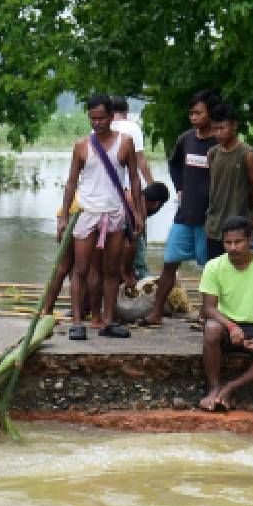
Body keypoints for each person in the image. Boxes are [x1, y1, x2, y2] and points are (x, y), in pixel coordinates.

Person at [57, 94, 142, 340]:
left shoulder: (125, 143)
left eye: (101, 118)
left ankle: (108, 321)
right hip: (87, 212)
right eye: (92, 118)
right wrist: (64, 215)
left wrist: (137, 212)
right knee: (80, 268)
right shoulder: (82, 146)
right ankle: (76, 322)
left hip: (114, 212)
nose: (97, 123)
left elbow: (134, 179)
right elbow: (71, 181)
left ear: (111, 117)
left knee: (111, 270)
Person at [141, 90, 219, 326]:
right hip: (184, 215)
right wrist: (180, 188)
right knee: (169, 263)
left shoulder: (221, 141)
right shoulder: (186, 139)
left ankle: (207, 315)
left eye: (198, 112)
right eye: (191, 112)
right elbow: (174, 164)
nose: (193, 117)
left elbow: (252, 165)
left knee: (211, 269)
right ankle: (156, 313)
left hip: (211, 218)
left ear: (211, 114)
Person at [198, 216, 253, 412]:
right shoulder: (214, 266)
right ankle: (214, 388)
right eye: (227, 242)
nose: (232, 247)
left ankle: (230, 387)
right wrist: (231, 326)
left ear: (250, 240)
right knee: (211, 329)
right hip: (225, 325)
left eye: (238, 242)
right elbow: (209, 308)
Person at [43, 182, 169, 315]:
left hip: (70, 212)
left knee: (65, 268)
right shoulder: (136, 207)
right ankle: (89, 312)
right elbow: (129, 245)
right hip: (88, 215)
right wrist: (127, 275)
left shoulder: (124, 191)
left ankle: (50, 309)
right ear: (156, 204)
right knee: (97, 269)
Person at [203, 103, 253, 261]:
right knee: (215, 270)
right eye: (215, 129)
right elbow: (214, 185)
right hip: (214, 225)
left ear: (234, 125)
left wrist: (246, 209)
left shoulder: (247, 154)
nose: (219, 133)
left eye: (223, 128)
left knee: (240, 268)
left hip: (239, 225)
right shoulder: (212, 153)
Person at [111, 96, 155, 286]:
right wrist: (152, 184)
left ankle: (119, 275)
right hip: (129, 192)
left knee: (113, 238)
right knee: (137, 231)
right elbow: (140, 160)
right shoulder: (132, 128)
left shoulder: (98, 130)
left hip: (108, 194)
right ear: (126, 112)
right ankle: (140, 273)